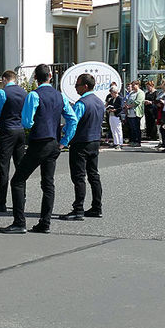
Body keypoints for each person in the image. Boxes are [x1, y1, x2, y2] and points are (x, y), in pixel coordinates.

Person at [0, 63, 77, 234]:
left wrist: (37, 125)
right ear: (50, 76)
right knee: (48, 183)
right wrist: (64, 140)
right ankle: (45, 222)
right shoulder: (60, 96)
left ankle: (19, 222)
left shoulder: (34, 95)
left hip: (39, 142)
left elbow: (27, 121)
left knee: (18, 181)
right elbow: (73, 119)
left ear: (35, 78)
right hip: (54, 143)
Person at [59, 73, 103, 221]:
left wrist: (63, 133)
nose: (75, 88)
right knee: (94, 174)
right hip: (95, 140)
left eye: (77, 85)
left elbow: (73, 122)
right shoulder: (99, 102)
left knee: (78, 176)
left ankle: (78, 209)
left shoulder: (81, 103)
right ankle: (97, 207)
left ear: (85, 86)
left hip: (81, 142)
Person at [0, 70, 26, 212]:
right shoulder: (24, 92)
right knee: (20, 165)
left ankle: (1, 201)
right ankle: (22, 196)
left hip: (7, 130)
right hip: (20, 130)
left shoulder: (2, 93)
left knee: (4, 167)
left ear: (4, 79)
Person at [123, 80, 144, 147]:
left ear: (137, 85)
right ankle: (132, 140)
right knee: (131, 128)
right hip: (130, 113)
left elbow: (137, 102)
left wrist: (129, 106)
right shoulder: (131, 93)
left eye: (134, 85)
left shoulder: (140, 93)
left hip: (136, 113)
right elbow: (128, 100)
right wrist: (126, 106)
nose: (132, 87)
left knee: (136, 128)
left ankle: (137, 141)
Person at [105, 84, 124, 149]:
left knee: (118, 129)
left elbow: (121, 108)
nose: (111, 94)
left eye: (112, 92)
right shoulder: (111, 99)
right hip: (111, 115)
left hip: (116, 115)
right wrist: (108, 108)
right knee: (113, 129)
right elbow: (108, 105)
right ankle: (116, 142)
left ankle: (120, 143)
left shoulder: (120, 98)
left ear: (115, 92)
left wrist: (114, 110)